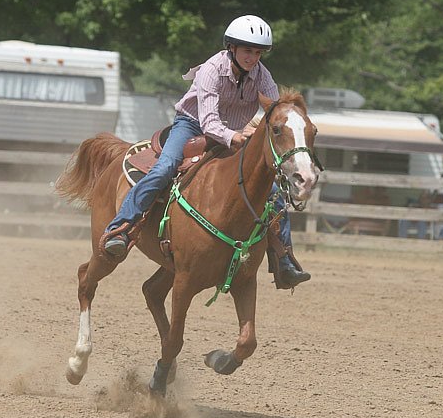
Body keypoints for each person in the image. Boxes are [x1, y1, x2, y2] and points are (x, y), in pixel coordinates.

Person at [103, 15, 310, 289]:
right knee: (166, 166)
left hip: (233, 131)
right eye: (248, 50)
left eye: (258, 52)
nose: (253, 57)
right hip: (192, 125)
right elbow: (210, 123)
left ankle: (284, 261)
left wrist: (281, 120)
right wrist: (236, 136)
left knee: (271, 192)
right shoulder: (212, 69)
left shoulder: (262, 74)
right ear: (232, 48)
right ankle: (121, 227)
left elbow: (273, 110)